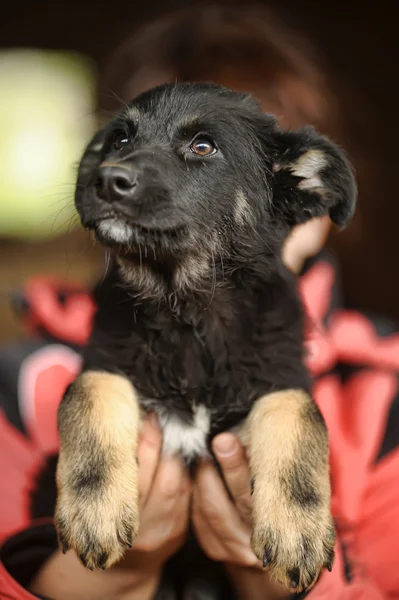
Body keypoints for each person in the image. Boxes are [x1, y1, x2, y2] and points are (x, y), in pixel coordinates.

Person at [1, 4, 399, 599]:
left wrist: (275, 580)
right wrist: (118, 573)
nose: (122, 169)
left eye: (203, 146)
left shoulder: (381, 393)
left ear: (302, 200)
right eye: (125, 139)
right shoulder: (21, 381)